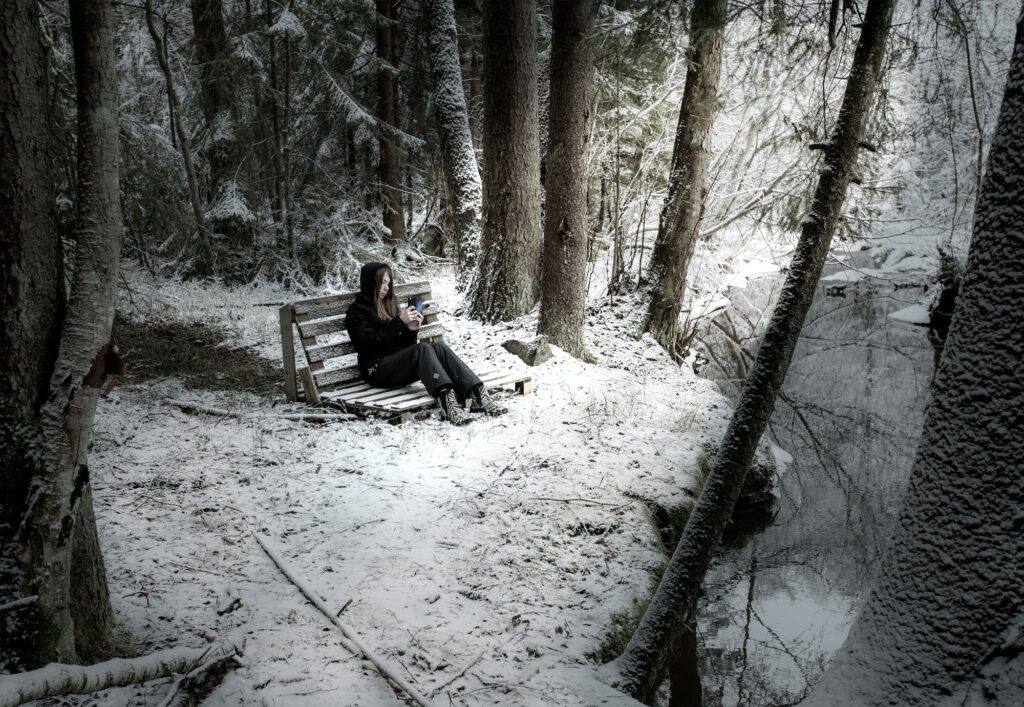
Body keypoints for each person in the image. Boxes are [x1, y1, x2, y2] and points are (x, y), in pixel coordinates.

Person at [345, 262, 508, 425]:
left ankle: (478, 393)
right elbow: (368, 345)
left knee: (439, 347)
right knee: (423, 348)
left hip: (395, 366)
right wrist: (399, 323)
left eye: (388, 283)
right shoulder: (356, 312)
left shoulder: (390, 305)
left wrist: (411, 329)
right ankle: (447, 404)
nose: (387, 288)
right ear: (369, 282)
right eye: (382, 283)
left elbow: (405, 348)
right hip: (376, 371)